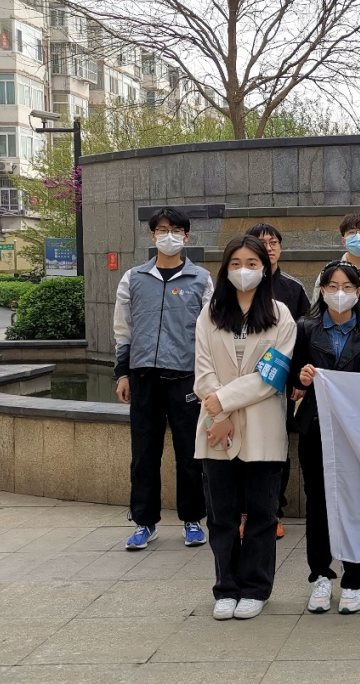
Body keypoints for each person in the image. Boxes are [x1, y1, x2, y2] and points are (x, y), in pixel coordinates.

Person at [194, 235, 297, 620]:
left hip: (262, 427)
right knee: (221, 515)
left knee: (261, 514)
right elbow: (202, 370)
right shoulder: (210, 314)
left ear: (265, 268)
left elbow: (271, 376)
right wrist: (218, 415)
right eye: (235, 263)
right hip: (215, 429)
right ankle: (226, 588)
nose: (244, 271)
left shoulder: (281, 315)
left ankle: (255, 588)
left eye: (252, 263)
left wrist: (222, 402)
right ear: (225, 269)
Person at [113, 207, 214, 551]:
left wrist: (206, 380)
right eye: (162, 230)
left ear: (186, 236)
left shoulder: (201, 279)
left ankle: (192, 520)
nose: (168, 236)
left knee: (189, 453)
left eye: (175, 230)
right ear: (152, 235)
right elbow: (123, 328)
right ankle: (144, 522)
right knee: (144, 453)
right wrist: (122, 373)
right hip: (144, 377)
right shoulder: (133, 278)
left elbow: (210, 333)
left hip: (186, 378)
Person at [292, 261, 360, 616]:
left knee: (356, 503)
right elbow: (292, 377)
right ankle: (321, 575)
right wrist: (301, 378)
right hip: (317, 427)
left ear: (358, 292)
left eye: (347, 287)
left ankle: (354, 579)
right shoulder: (306, 329)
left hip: (358, 432)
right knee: (318, 504)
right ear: (322, 290)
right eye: (332, 286)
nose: (339, 293)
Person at [248, 222, 311, 539]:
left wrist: (299, 377)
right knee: (243, 448)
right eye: (261, 243)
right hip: (242, 382)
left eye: (273, 242)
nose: (268, 248)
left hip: (280, 383)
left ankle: (274, 511)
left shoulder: (292, 289)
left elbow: (305, 336)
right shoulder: (238, 286)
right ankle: (245, 512)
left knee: (277, 447)